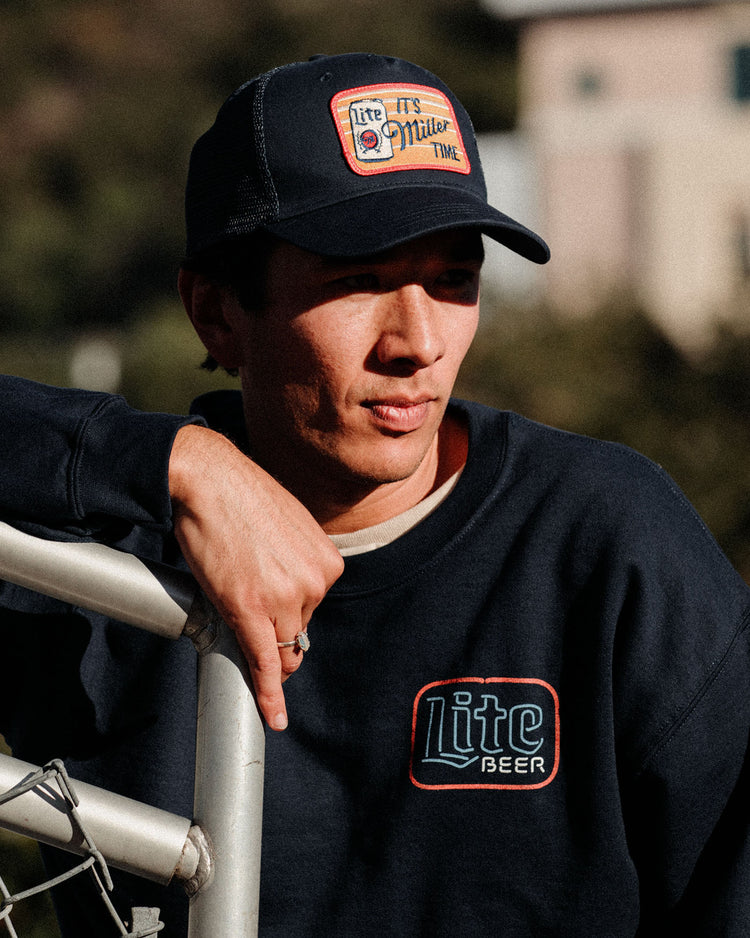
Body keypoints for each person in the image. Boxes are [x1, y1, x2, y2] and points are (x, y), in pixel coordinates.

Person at [0, 52, 749, 937]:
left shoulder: (605, 539)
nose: (417, 342)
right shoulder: (97, 561)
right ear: (216, 313)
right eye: (356, 280)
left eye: (453, 279)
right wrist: (173, 462)